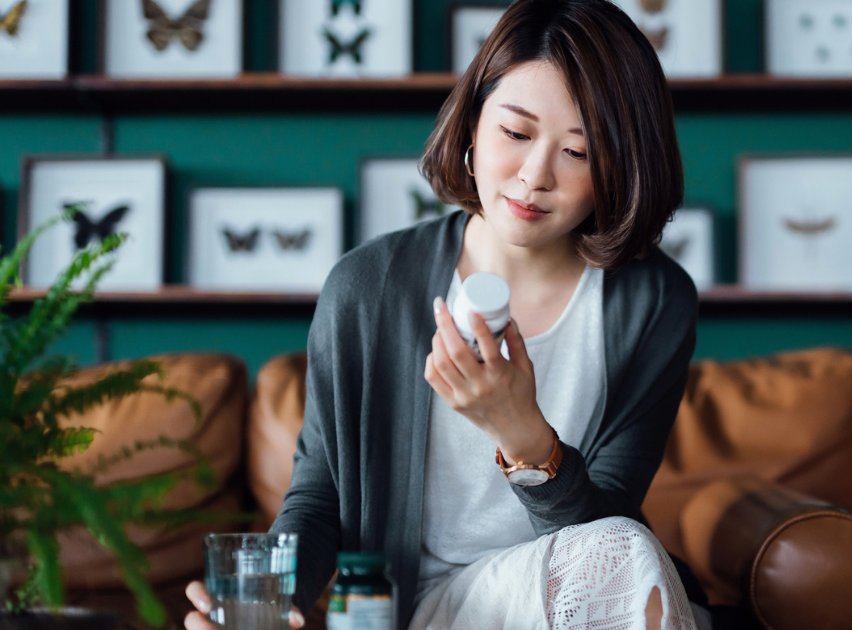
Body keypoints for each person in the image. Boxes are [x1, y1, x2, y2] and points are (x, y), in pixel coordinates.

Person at [184, 0, 701, 628]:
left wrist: (521, 435)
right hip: (423, 608)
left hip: (579, 594)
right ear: (474, 123)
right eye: (515, 133)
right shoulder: (367, 287)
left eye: (580, 152)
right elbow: (320, 493)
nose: (534, 176)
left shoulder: (651, 302)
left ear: (622, 166)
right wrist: (271, 603)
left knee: (621, 551)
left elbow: (604, 528)